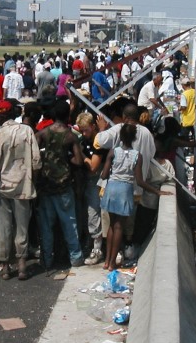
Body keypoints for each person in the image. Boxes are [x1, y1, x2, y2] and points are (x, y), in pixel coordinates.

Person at [100, 123, 170, 271]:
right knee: (120, 226)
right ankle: (113, 262)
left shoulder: (113, 152)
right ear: (134, 138)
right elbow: (140, 181)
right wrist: (157, 192)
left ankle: (106, 260)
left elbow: (104, 175)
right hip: (125, 190)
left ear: (120, 136)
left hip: (111, 188)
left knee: (112, 226)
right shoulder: (137, 156)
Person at [0, 99, 41, 280]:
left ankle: (6, 266)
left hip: (1, 188)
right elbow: (36, 161)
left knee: (4, 227)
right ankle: (22, 265)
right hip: (23, 187)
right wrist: (33, 182)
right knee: (22, 227)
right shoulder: (27, 131)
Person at [36, 100, 85, 270]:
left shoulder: (42, 134)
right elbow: (79, 161)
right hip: (64, 185)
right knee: (69, 223)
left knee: (46, 226)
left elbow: (34, 157)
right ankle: (76, 258)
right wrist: (64, 157)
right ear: (67, 116)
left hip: (45, 185)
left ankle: (47, 260)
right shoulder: (70, 136)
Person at [76, 112, 108, 265]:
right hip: (89, 183)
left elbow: (93, 166)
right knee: (91, 214)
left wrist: (80, 154)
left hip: (100, 181)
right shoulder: (84, 141)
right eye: (81, 130)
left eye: (86, 130)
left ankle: (98, 249)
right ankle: (95, 245)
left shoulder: (99, 142)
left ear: (93, 126)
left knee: (97, 214)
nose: (83, 133)